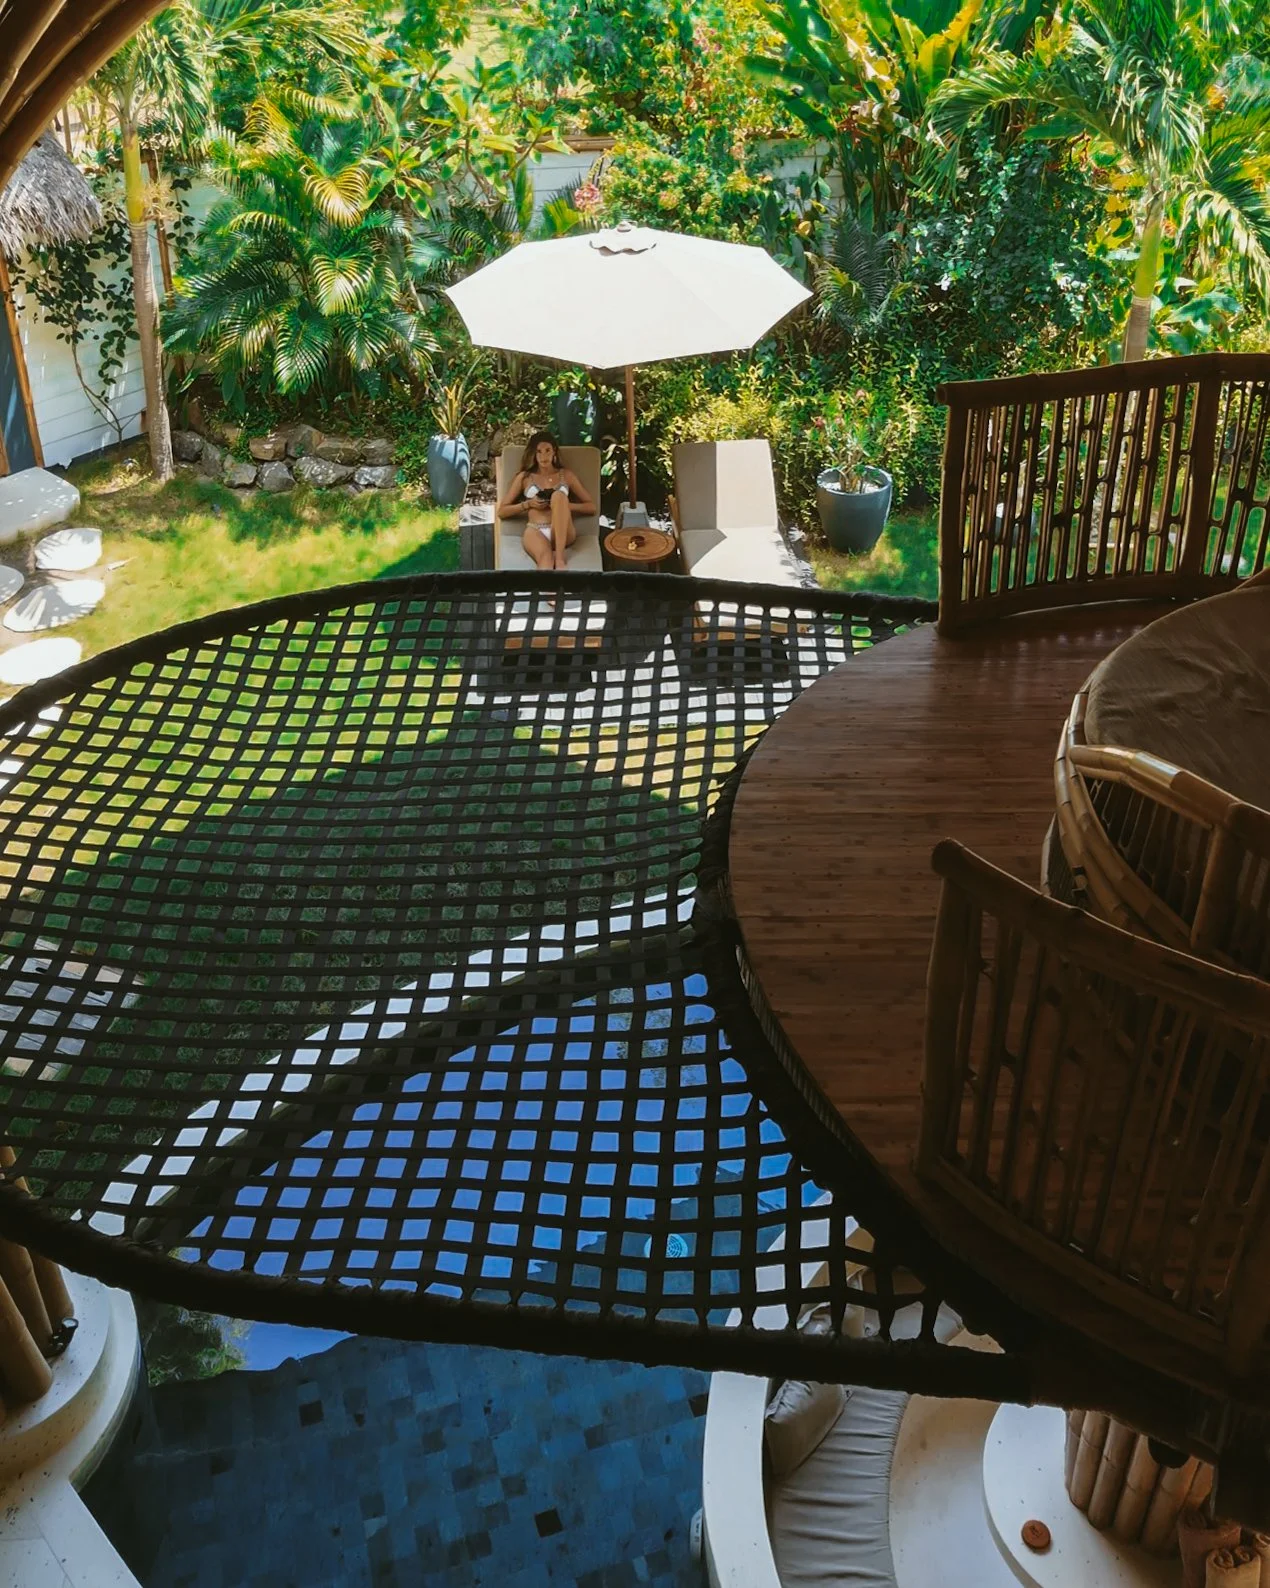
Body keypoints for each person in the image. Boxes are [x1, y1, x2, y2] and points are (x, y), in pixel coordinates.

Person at [498, 431, 596, 570]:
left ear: (554, 451)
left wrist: (563, 505)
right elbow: (502, 511)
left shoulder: (566, 475)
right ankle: (545, 591)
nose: (544, 456)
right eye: (539, 452)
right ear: (534, 454)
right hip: (535, 530)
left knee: (558, 496)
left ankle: (560, 558)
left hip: (563, 531)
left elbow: (591, 507)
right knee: (545, 560)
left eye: (547, 450)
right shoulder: (524, 477)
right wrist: (528, 504)